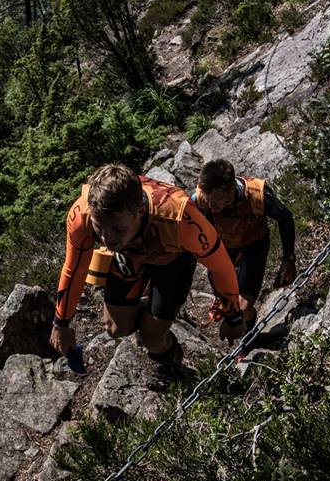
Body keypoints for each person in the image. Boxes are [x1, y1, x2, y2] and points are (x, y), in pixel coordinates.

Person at [50, 163, 245, 380]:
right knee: (115, 328)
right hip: (129, 254)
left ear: (140, 210)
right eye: (99, 226)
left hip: (173, 259)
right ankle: (146, 308)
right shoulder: (83, 214)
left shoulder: (181, 218)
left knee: (152, 337)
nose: (106, 238)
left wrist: (233, 316)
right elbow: (74, 269)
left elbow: (221, 267)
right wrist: (61, 323)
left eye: (118, 228)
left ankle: (169, 355)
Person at [193, 159, 297, 326]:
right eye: (208, 199)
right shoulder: (199, 199)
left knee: (242, 308)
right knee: (225, 297)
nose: (211, 205)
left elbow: (285, 218)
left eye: (217, 200)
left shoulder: (257, 195)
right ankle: (222, 301)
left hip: (254, 246)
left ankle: (247, 337)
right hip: (222, 246)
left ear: (232, 189)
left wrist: (288, 258)